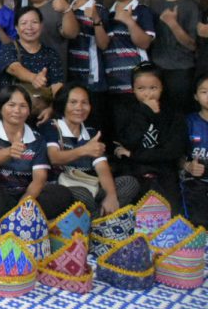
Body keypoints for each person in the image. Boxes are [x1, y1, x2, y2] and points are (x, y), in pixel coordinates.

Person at [0, 85, 74, 228]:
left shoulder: (38, 139)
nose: (17, 110)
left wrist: (23, 206)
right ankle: (15, 225)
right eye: (11, 105)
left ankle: (17, 220)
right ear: (0, 108)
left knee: (62, 194)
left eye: (23, 106)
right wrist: (9, 151)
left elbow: (39, 178)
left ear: (29, 111)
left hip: (26, 193)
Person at [41, 83, 139, 218]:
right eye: (73, 102)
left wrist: (111, 196)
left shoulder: (91, 132)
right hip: (61, 187)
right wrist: (84, 150)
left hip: (90, 185)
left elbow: (102, 169)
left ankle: (101, 217)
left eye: (84, 103)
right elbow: (54, 158)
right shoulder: (52, 127)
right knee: (83, 195)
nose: (79, 107)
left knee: (129, 183)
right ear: (63, 105)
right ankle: (100, 225)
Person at [113, 62, 186, 215]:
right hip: (133, 169)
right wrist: (145, 112)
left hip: (163, 169)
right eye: (141, 89)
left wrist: (134, 155)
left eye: (153, 88)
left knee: (172, 214)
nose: (148, 94)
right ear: (133, 89)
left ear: (162, 87)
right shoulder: (124, 109)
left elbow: (172, 152)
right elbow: (128, 140)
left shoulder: (173, 113)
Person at [102, 0, 156, 138]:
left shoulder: (142, 11)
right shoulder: (106, 14)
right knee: (117, 130)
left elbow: (145, 42)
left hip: (135, 84)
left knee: (138, 129)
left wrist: (129, 21)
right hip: (112, 84)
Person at [0, 6, 64, 125]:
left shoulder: (51, 54)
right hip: (11, 114)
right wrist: (34, 78)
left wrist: (52, 109)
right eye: (24, 23)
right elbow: (14, 68)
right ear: (17, 28)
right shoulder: (8, 49)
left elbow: (57, 86)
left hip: (41, 115)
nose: (29, 27)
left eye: (34, 22)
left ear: (41, 26)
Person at [150, 0, 199, 116]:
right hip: (156, 69)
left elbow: (193, 44)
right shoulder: (155, 5)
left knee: (178, 117)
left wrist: (173, 23)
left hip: (180, 71)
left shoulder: (191, 6)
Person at [67, 0, 109, 129]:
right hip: (70, 72)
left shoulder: (100, 10)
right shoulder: (66, 9)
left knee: (93, 123)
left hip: (92, 76)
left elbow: (104, 44)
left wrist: (96, 19)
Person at [25, 0, 79, 76]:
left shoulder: (57, 8)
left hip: (54, 73)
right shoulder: (24, 12)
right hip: (29, 73)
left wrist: (67, 10)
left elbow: (71, 34)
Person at [182, 73, 208, 227]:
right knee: (200, 222)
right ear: (196, 96)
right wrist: (188, 166)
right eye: (204, 92)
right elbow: (177, 154)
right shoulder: (188, 122)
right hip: (195, 182)